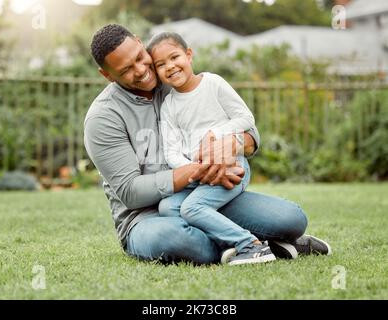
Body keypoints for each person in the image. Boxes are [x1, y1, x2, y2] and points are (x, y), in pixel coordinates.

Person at [84, 24, 331, 265]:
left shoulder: (173, 80)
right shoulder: (103, 117)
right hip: (147, 218)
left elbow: (250, 132)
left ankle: (254, 242)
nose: (141, 70)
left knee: (290, 219)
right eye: (127, 69)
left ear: (139, 42)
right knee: (176, 239)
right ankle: (256, 243)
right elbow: (131, 192)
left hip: (200, 195)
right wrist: (200, 168)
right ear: (107, 75)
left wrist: (231, 145)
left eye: (140, 57)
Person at [146, 32, 275, 265]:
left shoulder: (213, 84)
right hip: (199, 176)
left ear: (189, 55)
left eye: (175, 57)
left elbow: (246, 118)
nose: (170, 66)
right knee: (168, 206)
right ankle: (236, 242)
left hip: (231, 168)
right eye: (161, 64)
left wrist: (216, 133)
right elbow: (172, 153)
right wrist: (198, 169)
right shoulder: (170, 105)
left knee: (192, 209)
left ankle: (251, 245)